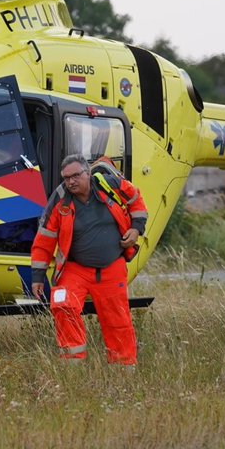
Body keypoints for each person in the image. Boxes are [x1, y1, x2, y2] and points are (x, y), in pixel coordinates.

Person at [30, 153, 147, 365]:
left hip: (112, 268)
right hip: (75, 270)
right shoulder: (59, 199)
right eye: (66, 178)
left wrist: (136, 229)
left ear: (87, 173)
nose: (70, 181)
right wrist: (37, 276)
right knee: (62, 304)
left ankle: (123, 369)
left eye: (75, 176)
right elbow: (44, 239)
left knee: (117, 320)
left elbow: (136, 200)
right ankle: (72, 365)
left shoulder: (109, 184)